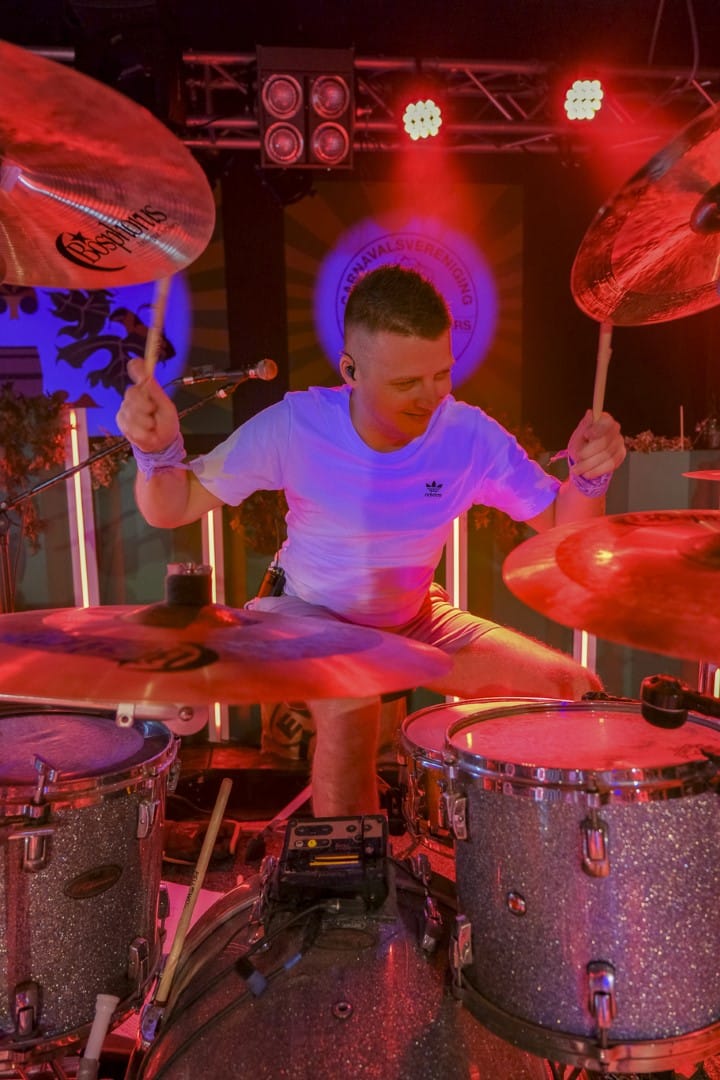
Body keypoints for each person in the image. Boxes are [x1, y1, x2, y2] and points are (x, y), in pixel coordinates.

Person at [116, 264, 626, 818]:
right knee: (352, 698)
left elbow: (565, 527)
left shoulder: (467, 434)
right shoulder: (299, 425)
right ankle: (353, 871)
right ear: (351, 371)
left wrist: (589, 477)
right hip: (306, 611)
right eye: (406, 383)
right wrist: (158, 451)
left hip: (414, 616)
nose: (429, 397)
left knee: (574, 687)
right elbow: (172, 506)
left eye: (440, 374)